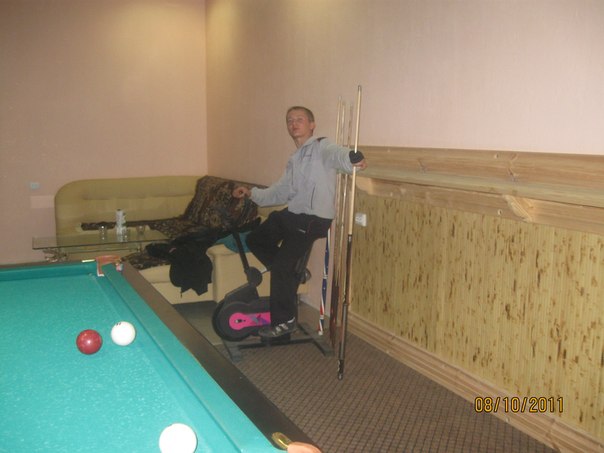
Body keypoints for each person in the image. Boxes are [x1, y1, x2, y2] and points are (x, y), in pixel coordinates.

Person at [232, 106, 367, 338]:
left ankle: (284, 321)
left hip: (314, 219)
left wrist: (352, 158)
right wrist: (251, 193)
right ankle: (296, 273)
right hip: (295, 214)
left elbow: (337, 155)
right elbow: (280, 191)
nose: (293, 124)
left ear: (312, 125)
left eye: (299, 119)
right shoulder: (294, 159)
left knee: (281, 268)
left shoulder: (321, 146)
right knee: (255, 239)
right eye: (290, 120)